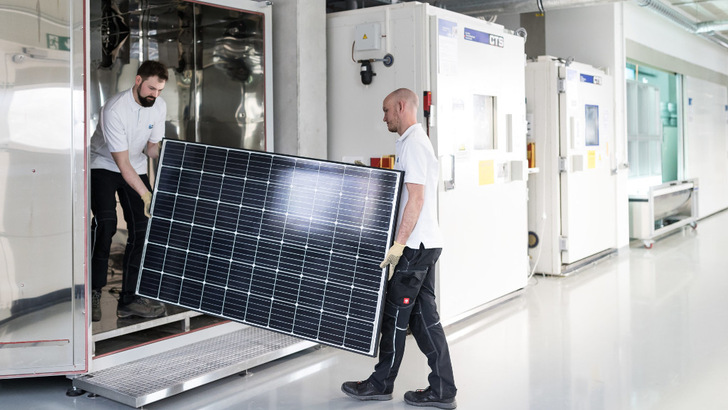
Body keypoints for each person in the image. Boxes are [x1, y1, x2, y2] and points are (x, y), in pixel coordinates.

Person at [341, 88, 457, 409]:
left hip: (417, 246)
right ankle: (443, 389)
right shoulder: (409, 143)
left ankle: (380, 383)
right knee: (423, 319)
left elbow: (416, 199)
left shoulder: (416, 145)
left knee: (394, 315)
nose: (384, 117)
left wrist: (399, 245)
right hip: (425, 244)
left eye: (386, 110)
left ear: (401, 107)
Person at [89, 60, 168, 321]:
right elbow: (121, 164)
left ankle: (130, 299)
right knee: (106, 225)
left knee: (142, 230)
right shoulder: (115, 108)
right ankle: (93, 293)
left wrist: (175, 155)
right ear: (137, 80)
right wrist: (146, 194)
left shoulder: (158, 106)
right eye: (151, 88)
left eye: (159, 90)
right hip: (103, 165)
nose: (154, 95)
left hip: (134, 165)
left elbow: (151, 149)